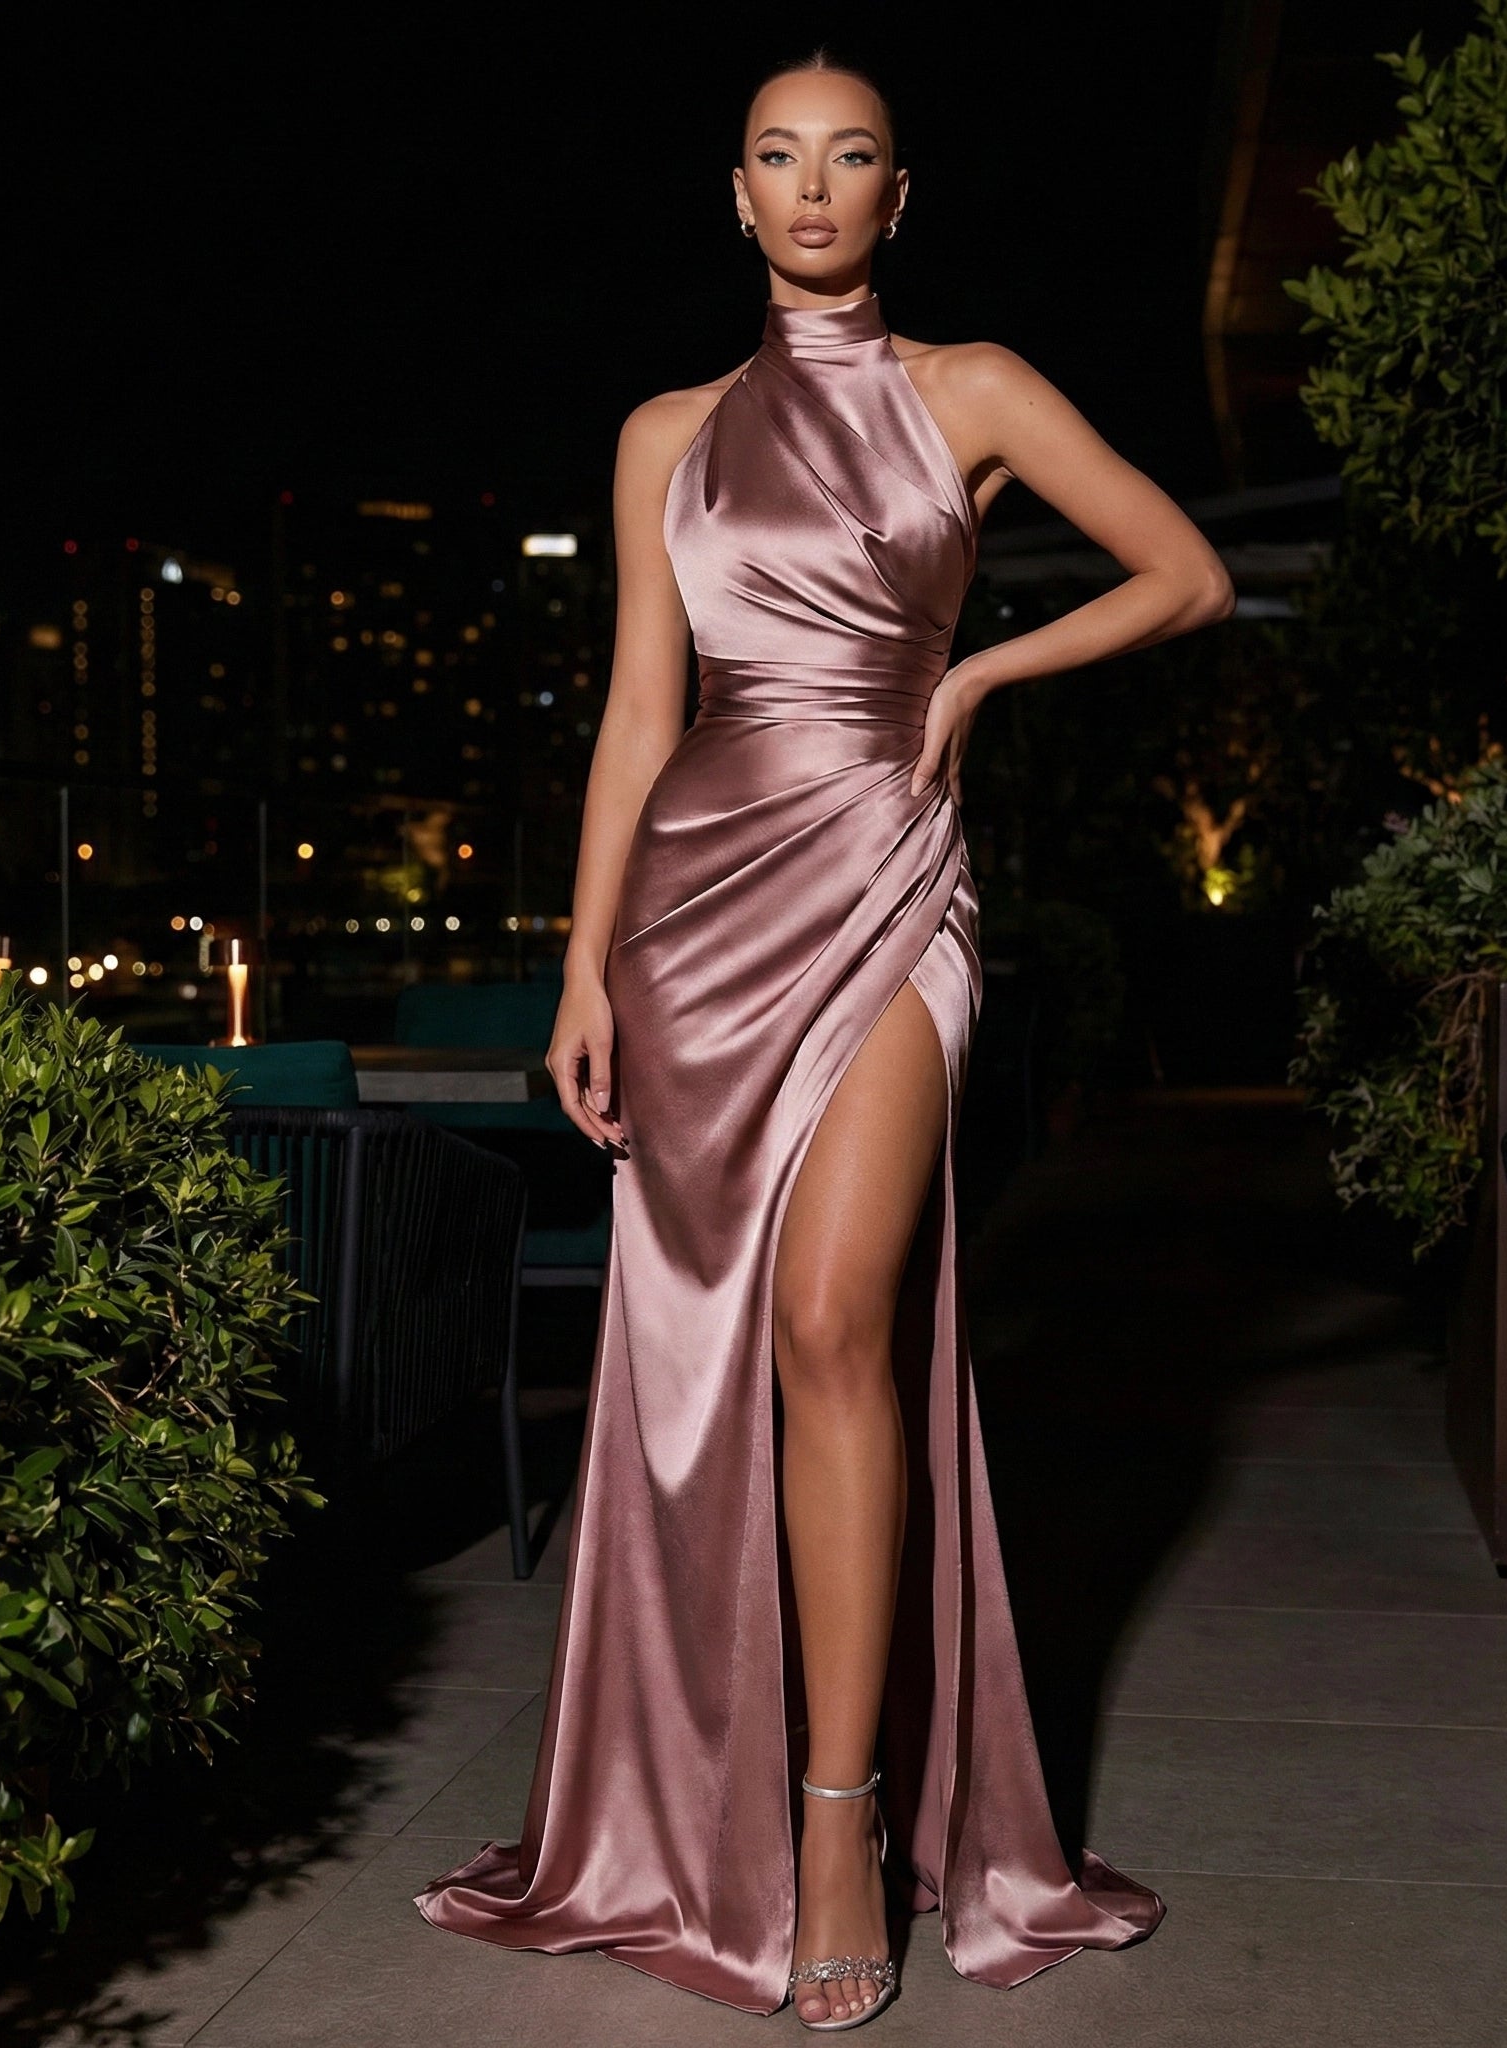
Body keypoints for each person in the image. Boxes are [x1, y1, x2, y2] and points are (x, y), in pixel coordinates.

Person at [414, 49, 1234, 2032]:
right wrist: (583, 965)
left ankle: (843, 1814)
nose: (811, 187)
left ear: (895, 195)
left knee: (834, 1318)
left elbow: (1186, 575)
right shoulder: (662, 433)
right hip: (694, 917)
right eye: (777, 157)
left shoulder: (973, 390)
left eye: (847, 156)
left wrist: (976, 680)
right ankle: (697, 1804)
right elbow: (634, 711)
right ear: (736, 195)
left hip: (888, 895)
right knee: (709, 1355)